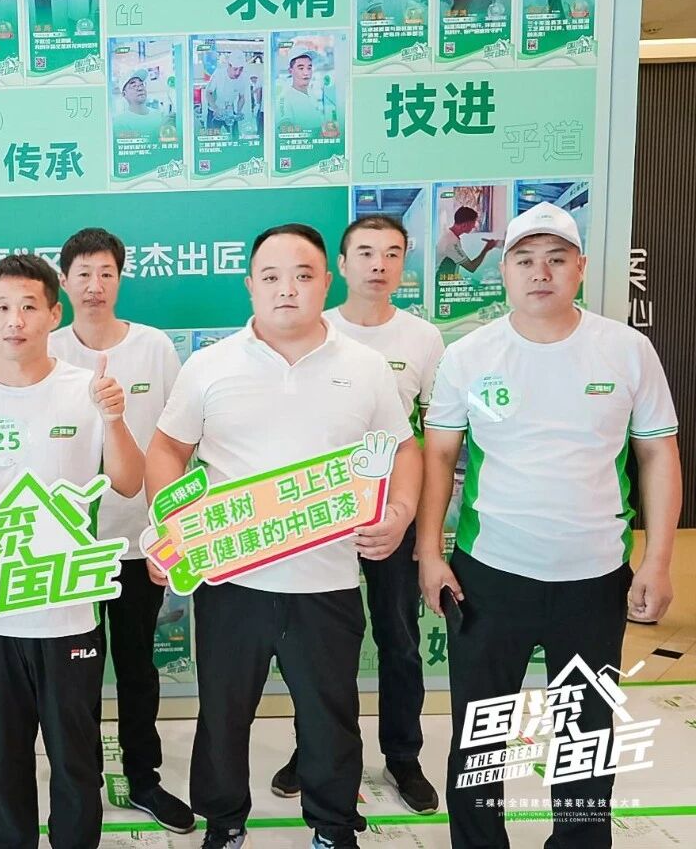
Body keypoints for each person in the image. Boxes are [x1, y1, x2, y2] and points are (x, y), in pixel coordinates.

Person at [145, 224, 422, 849]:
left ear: (326, 282)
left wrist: (402, 509)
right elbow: (166, 449)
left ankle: (333, 825)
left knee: (330, 716)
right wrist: (171, 524)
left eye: (302, 275)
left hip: (327, 579)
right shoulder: (210, 365)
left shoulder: (365, 367)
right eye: (271, 277)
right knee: (223, 714)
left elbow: (404, 449)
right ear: (250, 285)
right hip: (230, 580)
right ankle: (224, 821)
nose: (287, 289)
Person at [418, 203, 681, 849]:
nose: (541, 272)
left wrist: (657, 561)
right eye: (525, 259)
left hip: (594, 576)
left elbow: (658, 453)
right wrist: (429, 553)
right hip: (489, 574)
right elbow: (439, 456)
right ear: (503, 270)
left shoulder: (626, 349)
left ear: (580, 268)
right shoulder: (470, 355)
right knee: (480, 737)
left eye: (557, 259)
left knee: (586, 735)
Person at [0, 254, 145, 849]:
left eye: (28, 307)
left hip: (69, 614)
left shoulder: (87, 389)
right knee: (2, 762)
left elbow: (130, 484)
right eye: (1, 307)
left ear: (53, 313)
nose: (14, 320)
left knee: (76, 762)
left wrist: (114, 419)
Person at [268, 215, 444, 815]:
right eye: (365, 253)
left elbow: (430, 441)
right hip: (319, 517)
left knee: (399, 639)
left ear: (404, 263)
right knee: (313, 648)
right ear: (338, 267)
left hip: (391, 516)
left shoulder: (423, 338)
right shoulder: (310, 327)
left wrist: (413, 519)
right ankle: (311, 750)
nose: (378, 265)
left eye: (392, 253)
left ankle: (403, 756)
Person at [48, 228, 194, 833]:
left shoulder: (154, 348)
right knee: (74, 674)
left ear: (120, 278)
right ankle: (78, 784)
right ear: (63, 282)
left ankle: (144, 778)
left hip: (138, 541)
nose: (94, 285)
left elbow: (177, 442)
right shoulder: (46, 348)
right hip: (68, 550)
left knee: (138, 668)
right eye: (82, 273)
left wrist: (169, 529)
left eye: (106, 272)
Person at [435, 205, 501, 281]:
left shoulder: (449, 235)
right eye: (473, 223)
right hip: (440, 283)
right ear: (464, 225)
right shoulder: (451, 242)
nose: (474, 227)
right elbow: (472, 267)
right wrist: (486, 249)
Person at [275, 44, 323, 135]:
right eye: (301, 68)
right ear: (290, 71)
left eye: (309, 68)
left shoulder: (312, 94)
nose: (306, 73)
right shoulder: (284, 98)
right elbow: (283, 127)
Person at [203, 50, 251, 134]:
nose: (238, 73)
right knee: (213, 137)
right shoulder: (219, 74)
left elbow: (241, 97)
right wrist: (215, 108)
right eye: (235, 69)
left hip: (230, 112)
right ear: (229, 65)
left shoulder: (243, 78)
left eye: (241, 69)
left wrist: (239, 111)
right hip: (214, 112)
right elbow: (208, 93)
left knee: (235, 137)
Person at [114, 69, 165, 139]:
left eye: (141, 84)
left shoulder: (160, 116)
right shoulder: (120, 122)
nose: (140, 88)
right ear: (124, 94)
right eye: (133, 85)